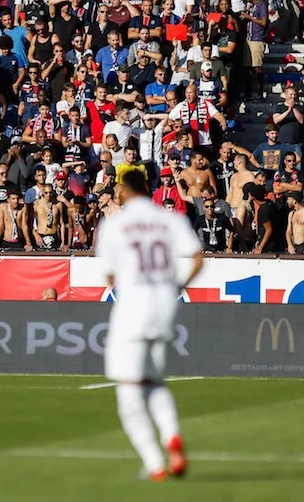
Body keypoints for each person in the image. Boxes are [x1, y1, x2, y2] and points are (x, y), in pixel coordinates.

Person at [94, 170, 204, 481]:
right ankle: (172, 434)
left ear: (124, 191)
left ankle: (155, 463)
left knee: (128, 390)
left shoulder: (115, 224)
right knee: (154, 381)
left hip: (133, 308)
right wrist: (176, 286)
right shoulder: (169, 219)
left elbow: (110, 276)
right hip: (165, 306)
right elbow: (198, 258)